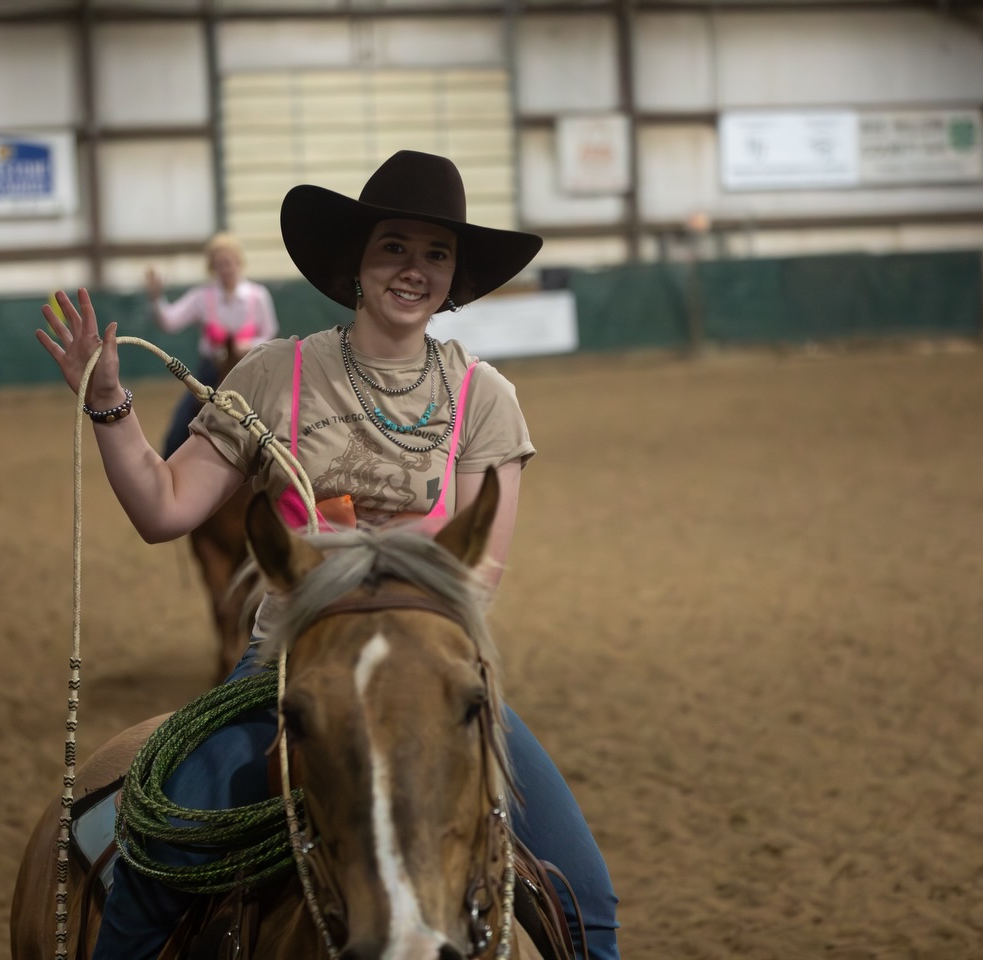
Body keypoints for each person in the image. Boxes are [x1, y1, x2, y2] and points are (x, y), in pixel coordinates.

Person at [37, 150, 620, 960]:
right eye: (394, 247)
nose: (413, 269)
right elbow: (164, 508)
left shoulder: (485, 398)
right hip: (286, 671)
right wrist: (109, 403)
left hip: (431, 675)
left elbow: (476, 579)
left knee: (585, 899)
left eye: (436, 253)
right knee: (152, 857)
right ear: (357, 260)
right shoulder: (276, 373)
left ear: (454, 276)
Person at [146, 233, 278, 458]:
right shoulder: (203, 297)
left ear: (238, 262)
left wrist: (248, 345)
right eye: (219, 264)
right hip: (211, 375)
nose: (225, 269)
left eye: (228, 262)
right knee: (178, 431)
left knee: (274, 421)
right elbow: (170, 321)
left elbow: (270, 333)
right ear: (212, 267)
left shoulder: (257, 296)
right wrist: (156, 298)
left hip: (251, 372)